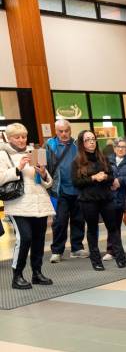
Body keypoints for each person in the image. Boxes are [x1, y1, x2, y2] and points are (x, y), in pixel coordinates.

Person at [0, 123, 55, 289]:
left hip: (39, 203)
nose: (22, 140)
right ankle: (17, 276)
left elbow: (48, 183)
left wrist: (43, 173)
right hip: (18, 204)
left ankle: (37, 273)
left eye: (23, 136)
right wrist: (18, 168)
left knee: (39, 240)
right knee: (24, 238)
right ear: (9, 138)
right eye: (17, 137)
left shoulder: (35, 152)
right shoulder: (2, 155)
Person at [72, 130, 126, 271]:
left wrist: (104, 177)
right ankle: (96, 261)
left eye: (93, 139)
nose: (91, 142)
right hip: (88, 200)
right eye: (87, 139)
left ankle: (120, 258)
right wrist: (93, 178)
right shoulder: (77, 161)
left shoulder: (103, 158)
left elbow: (111, 177)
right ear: (82, 143)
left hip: (106, 197)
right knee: (92, 229)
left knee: (113, 227)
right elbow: (76, 182)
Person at [45, 119, 88, 263]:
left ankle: (76, 248)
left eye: (66, 131)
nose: (64, 134)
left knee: (78, 220)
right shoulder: (49, 145)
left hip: (78, 189)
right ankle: (57, 250)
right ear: (56, 131)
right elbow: (42, 166)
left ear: (70, 130)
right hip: (59, 190)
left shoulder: (78, 145)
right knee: (60, 221)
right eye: (60, 131)